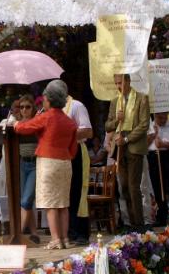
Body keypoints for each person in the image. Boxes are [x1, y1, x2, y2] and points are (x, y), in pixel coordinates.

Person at [14, 80, 77, 250]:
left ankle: (55, 239)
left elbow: (25, 128)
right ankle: (65, 239)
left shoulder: (47, 116)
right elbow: (73, 148)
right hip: (65, 162)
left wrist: (15, 124)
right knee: (63, 203)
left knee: (50, 203)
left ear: (49, 99)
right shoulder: (70, 121)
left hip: (48, 161)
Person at [105, 74, 150, 232]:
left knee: (133, 186)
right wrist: (117, 120)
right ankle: (130, 222)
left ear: (129, 81)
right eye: (116, 83)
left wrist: (127, 138)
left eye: (121, 82)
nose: (119, 86)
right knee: (123, 187)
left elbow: (144, 124)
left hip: (134, 146)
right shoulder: (114, 101)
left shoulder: (141, 98)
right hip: (119, 148)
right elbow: (108, 126)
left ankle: (139, 224)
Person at [62, 89, 93, 246]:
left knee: (77, 193)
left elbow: (88, 131)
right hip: (60, 155)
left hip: (76, 152)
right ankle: (68, 231)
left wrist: (66, 134)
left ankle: (81, 232)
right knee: (65, 194)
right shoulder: (52, 110)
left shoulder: (76, 106)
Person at [146, 112, 169, 225]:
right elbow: (144, 145)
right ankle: (162, 216)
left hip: (167, 156)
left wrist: (164, 144)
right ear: (155, 116)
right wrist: (153, 136)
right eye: (160, 118)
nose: (163, 120)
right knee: (157, 187)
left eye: (164, 117)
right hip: (153, 156)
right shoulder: (149, 127)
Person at [17, 94, 40, 244]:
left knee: (26, 200)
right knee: (27, 200)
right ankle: (34, 233)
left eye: (28, 107)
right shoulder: (16, 125)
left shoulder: (37, 123)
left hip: (34, 164)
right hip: (20, 163)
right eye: (22, 107)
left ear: (33, 108)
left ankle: (17, 235)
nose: (24, 110)